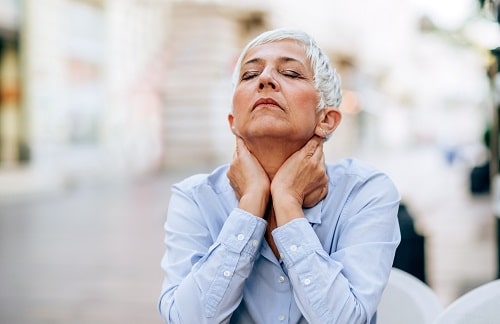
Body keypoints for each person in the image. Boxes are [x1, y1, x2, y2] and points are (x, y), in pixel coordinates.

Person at [158, 28, 401, 324]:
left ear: (326, 119)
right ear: (233, 121)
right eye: (250, 75)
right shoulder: (195, 198)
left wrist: (287, 202)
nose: (265, 79)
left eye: (290, 73)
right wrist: (250, 205)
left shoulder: (365, 192)